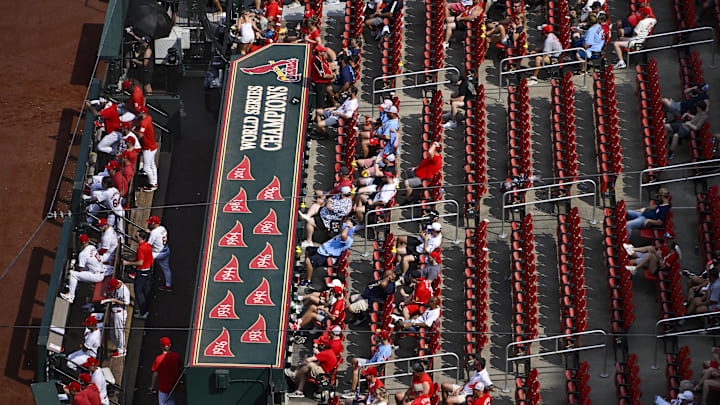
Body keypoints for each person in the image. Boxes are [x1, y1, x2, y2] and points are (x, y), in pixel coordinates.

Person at [300, 220, 356, 287]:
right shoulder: (341, 234)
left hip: (325, 256)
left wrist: (347, 227)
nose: (341, 227)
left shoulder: (348, 239)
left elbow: (344, 235)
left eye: (342, 227)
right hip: (321, 250)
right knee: (308, 250)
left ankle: (308, 281)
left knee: (308, 261)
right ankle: (307, 269)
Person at [61, 235, 105, 304]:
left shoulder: (83, 254)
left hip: (96, 276)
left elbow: (80, 269)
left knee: (73, 274)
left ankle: (70, 296)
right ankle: (72, 285)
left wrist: (74, 267)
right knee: (81, 270)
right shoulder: (92, 247)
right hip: (99, 271)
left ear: (81, 242)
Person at [123, 230, 153, 319]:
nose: (135, 238)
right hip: (148, 272)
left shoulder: (140, 248)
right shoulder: (148, 245)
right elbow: (150, 259)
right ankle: (146, 310)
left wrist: (127, 263)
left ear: (141, 238)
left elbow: (140, 262)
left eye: (136, 237)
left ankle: (143, 313)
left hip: (142, 272)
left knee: (138, 292)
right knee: (146, 292)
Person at [150, 337, 182, 405]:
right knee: (172, 401)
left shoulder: (158, 359)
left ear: (161, 346)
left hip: (163, 388)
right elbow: (180, 368)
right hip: (174, 385)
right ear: (170, 345)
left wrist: (152, 386)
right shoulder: (176, 356)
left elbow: (155, 374)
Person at [135, 105, 159, 192]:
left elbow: (140, 135)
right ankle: (154, 182)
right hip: (152, 146)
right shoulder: (149, 117)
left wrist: (133, 131)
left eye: (139, 112)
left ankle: (152, 184)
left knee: (146, 167)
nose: (137, 113)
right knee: (152, 165)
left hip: (148, 148)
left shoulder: (144, 122)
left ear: (143, 113)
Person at [105, 278, 130, 358]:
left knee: (119, 332)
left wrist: (115, 301)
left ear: (116, 285)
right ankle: (120, 348)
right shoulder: (118, 282)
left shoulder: (124, 291)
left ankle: (121, 350)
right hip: (114, 311)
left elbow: (127, 304)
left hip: (120, 313)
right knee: (113, 333)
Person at [147, 215, 172, 292]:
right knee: (166, 269)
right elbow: (158, 235)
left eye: (151, 223)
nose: (150, 224)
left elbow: (148, 244)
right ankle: (168, 285)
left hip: (157, 253)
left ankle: (136, 273)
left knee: (144, 258)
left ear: (154, 224)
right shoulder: (163, 228)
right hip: (166, 251)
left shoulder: (154, 232)